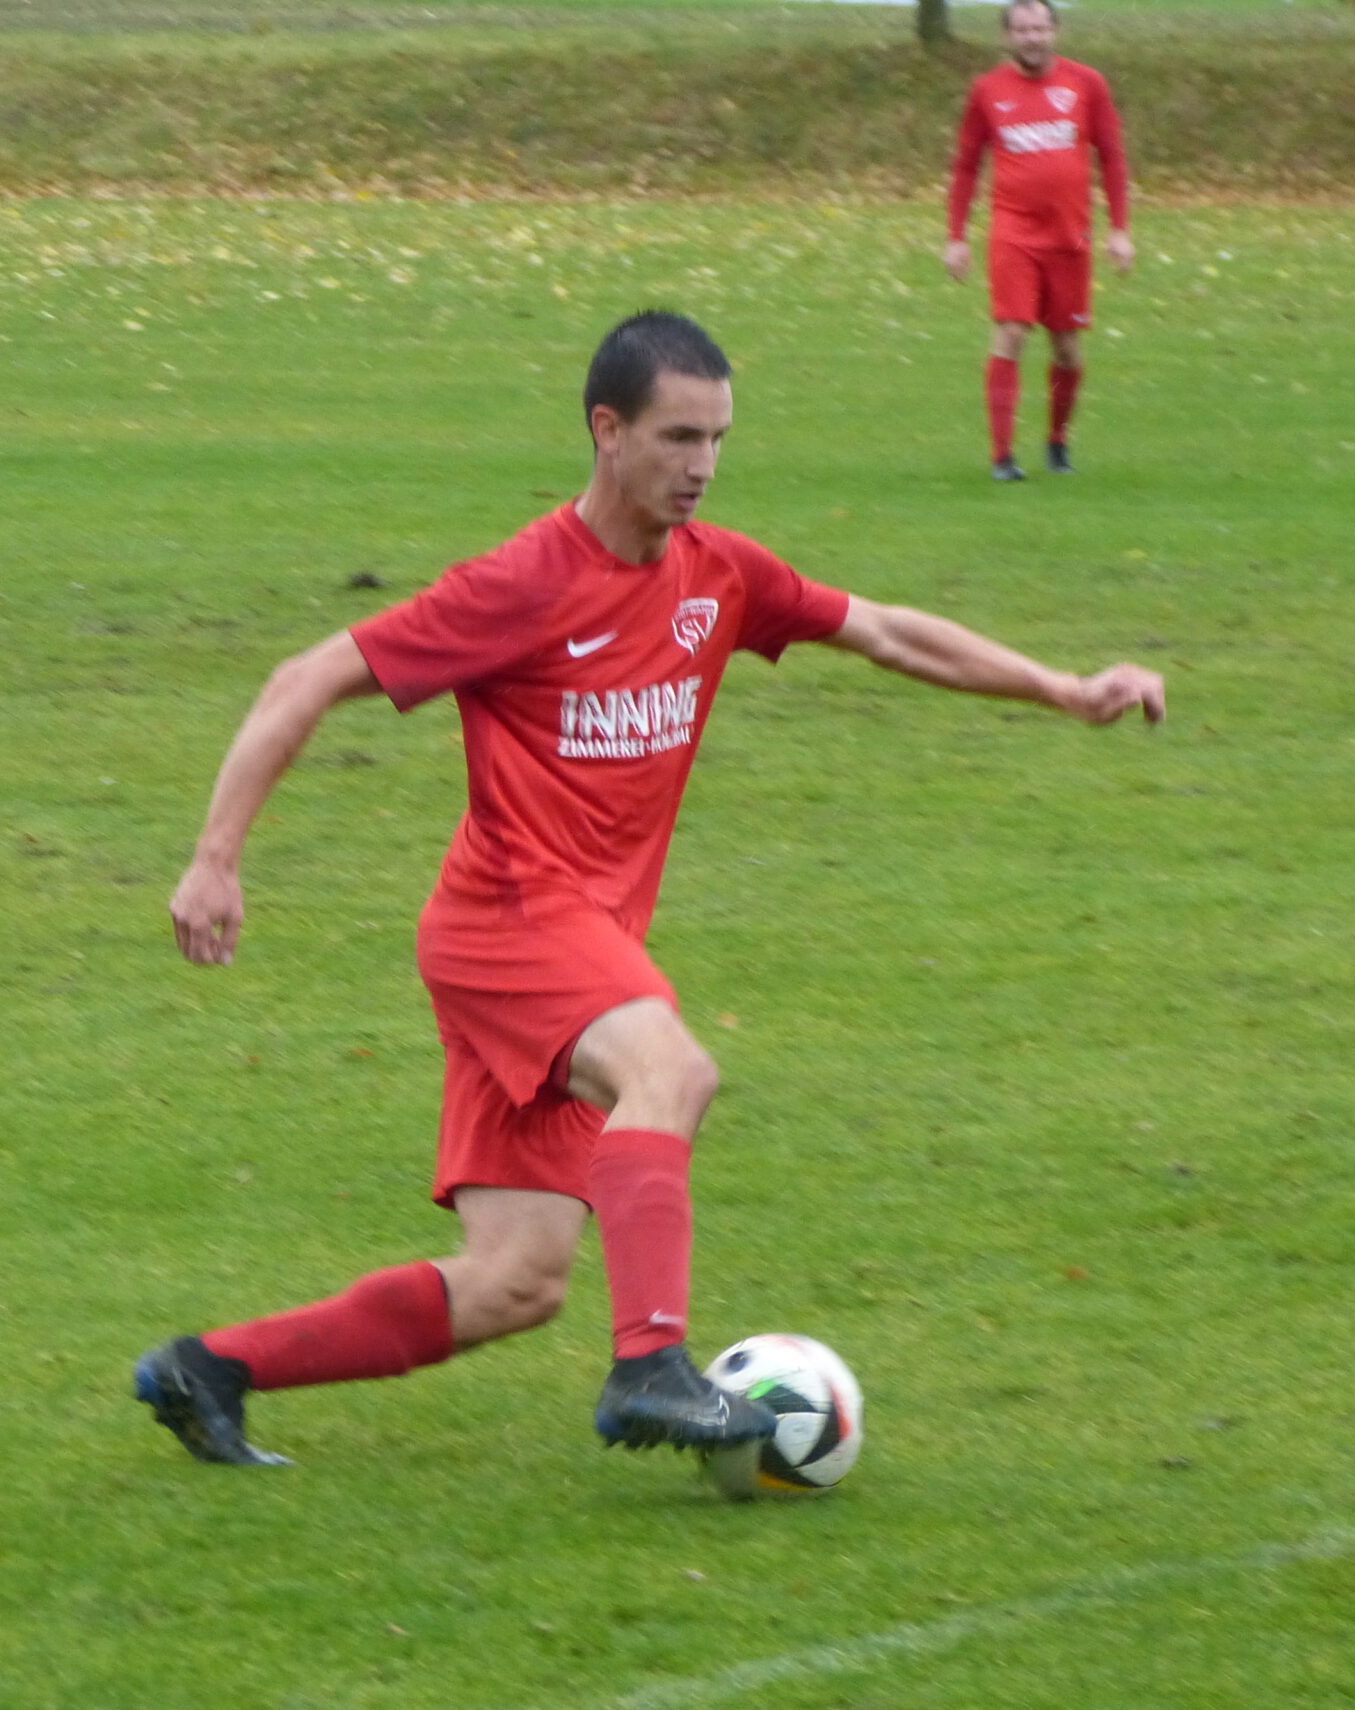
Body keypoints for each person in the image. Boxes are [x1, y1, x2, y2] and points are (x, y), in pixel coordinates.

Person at [133, 310, 1164, 1467]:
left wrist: (1064, 689)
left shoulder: (718, 575)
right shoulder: (520, 584)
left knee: (515, 1282)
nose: (702, 467)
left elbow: (885, 633)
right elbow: (305, 675)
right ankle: (650, 1368)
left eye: (718, 439)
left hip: (561, 938)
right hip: (512, 917)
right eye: (678, 437)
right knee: (672, 1069)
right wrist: (215, 857)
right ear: (606, 430)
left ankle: (209, 1371)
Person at [944, 0, 1134, 482]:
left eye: (1040, 28)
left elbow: (1111, 157)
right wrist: (956, 237)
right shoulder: (988, 91)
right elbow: (967, 165)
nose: (1032, 37)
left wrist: (1119, 229)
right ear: (1007, 37)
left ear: (1055, 31)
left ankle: (1057, 441)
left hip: (1070, 236)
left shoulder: (1086, 85)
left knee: (1067, 347)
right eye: (1022, 30)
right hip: (1014, 233)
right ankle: (1003, 457)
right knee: (1010, 331)